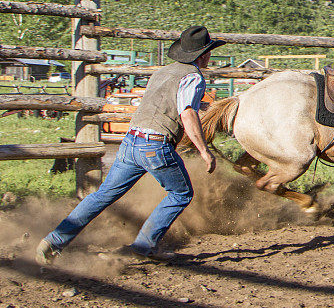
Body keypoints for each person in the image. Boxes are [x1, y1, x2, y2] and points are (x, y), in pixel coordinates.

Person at [35, 26, 225, 263]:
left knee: (103, 195)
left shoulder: (161, 73)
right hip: (156, 144)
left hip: (131, 140)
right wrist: (204, 150)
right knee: (180, 193)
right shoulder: (193, 77)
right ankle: (144, 245)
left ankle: (53, 241)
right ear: (204, 54)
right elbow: (186, 113)